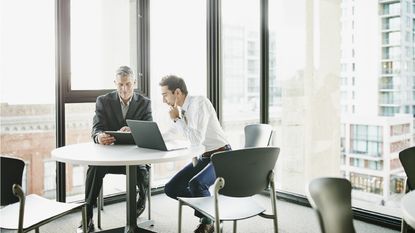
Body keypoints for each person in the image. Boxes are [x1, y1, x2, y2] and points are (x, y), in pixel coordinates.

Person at [77, 66, 152, 233]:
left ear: (134, 82)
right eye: (120, 85)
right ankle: (87, 214)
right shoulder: (103, 101)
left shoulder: (145, 103)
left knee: (142, 170)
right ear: (115, 84)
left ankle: (141, 201)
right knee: (94, 168)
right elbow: (96, 129)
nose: (124, 89)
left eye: (127, 84)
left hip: (135, 157)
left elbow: (149, 129)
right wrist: (99, 137)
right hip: (109, 157)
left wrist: (134, 130)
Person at [160, 75, 231, 233]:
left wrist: (177, 119)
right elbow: (173, 133)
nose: (164, 100)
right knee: (171, 188)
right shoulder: (183, 110)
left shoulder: (199, 103)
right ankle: (212, 209)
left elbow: (197, 140)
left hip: (222, 156)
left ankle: (207, 220)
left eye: (165, 95)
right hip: (204, 157)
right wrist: (152, 137)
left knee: (196, 184)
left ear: (177, 92)